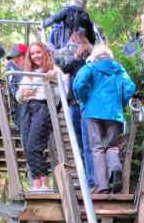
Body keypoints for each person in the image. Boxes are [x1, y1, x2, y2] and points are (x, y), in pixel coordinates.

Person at [73, 45, 136, 195]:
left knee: (96, 148)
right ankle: (115, 167)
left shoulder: (91, 66)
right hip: (113, 113)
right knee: (112, 146)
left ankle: (103, 187)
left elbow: (79, 83)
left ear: (95, 55)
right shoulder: (119, 69)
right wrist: (120, 102)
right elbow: (130, 87)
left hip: (93, 112)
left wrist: (84, 99)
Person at [14, 41, 62, 192]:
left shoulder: (54, 69)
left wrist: (54, 78)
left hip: (43, 107)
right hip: (27, 109)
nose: (35, 56)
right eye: (32, 53)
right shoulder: (30, 73)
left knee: (35, 146)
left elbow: (62, 92)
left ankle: (45, 185)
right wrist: (23, 92)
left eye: (38, 52)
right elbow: (18, 96)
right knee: (27, 148)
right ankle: (36, 185)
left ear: (45, 53)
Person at [60, 32, 95, 187]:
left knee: (82, 143)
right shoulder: (93, 64)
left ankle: (87, 176)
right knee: (91, 143)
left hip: (77, 103)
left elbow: (62, 69)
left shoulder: (75, 63)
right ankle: (91, 177)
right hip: (91, 104)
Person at [6, 43, 28, 124]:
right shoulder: (14, 73)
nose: (15, 62)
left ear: (26, 57)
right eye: (14, 60)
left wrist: (13, 68)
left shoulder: (34, 70)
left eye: (17, 59)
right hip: (20, 115)